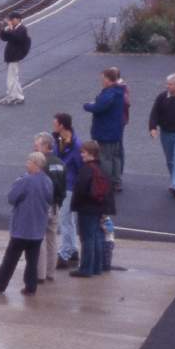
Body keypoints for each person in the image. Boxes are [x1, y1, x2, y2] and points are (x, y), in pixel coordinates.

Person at [0, 152, 54, 296]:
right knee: (32, 260)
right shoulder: (48, 182)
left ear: (35, 164)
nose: (26, 164)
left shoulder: (25, 180)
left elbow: (12, 198)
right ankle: (30, 287)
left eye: (28, 162)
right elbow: (49, 200)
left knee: (10, 259)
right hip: (38, 229)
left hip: (22, 228)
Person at [84, 69, 127, 192]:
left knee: (105, 158)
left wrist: (87, 105)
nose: (101, 81)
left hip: (105, 131)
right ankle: (117, 181)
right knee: (116, 157)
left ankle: (106, 183)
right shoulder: (119, 91)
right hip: (116, 131)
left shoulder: (109, 93)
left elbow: (98, 107)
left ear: (108, 79)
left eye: (102, 79)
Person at [69, 141, 107, 277]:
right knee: (96, 236)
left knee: (87, 238)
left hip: (87, 208)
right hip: (98, 207)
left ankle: (86, 268)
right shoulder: (100, 167)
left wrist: (74, 205)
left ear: (91, 153)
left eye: (83, 152)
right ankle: (96, 267)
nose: (81, 155)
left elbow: (80, 190)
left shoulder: (86, 169)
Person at [33, 133, 66, 284]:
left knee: (39, 240)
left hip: (43, 206)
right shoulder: (60, 163)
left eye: (37, 144)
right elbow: (63, 187)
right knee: (52, 240)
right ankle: (50, 272)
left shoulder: (41, 163)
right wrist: (58, 202)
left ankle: (40, 274)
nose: (35, 146)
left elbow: (39, 186)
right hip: (55, 206)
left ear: (46, 146)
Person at [52, 113, 82, 270]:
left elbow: (80, 168)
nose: (53, 125)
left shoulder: (75, 146)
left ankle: (64, 254)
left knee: (65, 220)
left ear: (62, 125)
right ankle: (73, 250)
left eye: (55, 123)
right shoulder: (60, 141)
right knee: (68, 220)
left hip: (69, 187)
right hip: (64, 185)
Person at [0, 13, 31, 105]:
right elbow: (4, 38)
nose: (11, 21)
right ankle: (19, 97)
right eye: (10, 19)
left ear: (18, 19)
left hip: (15, 56)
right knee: (14, 78)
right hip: (11, 57)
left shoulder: (22, 29)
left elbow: (16, 38)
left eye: (12, 19)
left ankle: (11, 98)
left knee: (11, 79)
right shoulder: (14, 29)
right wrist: (2, 29)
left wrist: (10, 28)